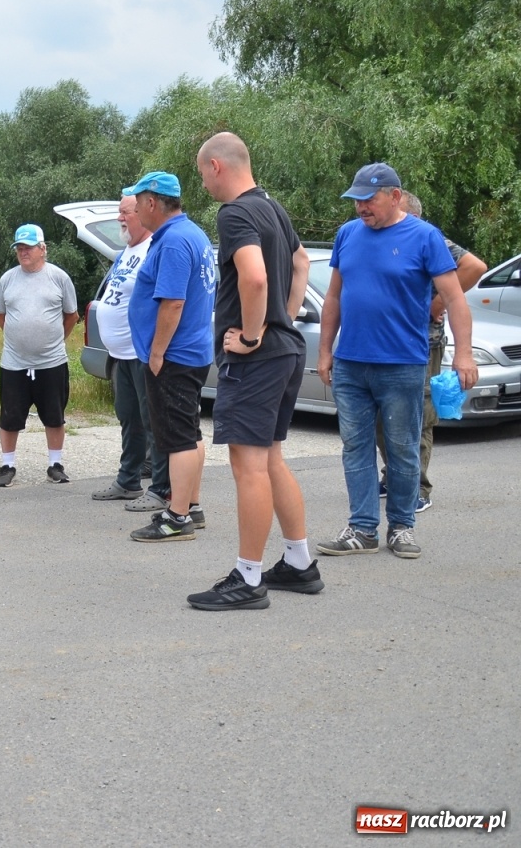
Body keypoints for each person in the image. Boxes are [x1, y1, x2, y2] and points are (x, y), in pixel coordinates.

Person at [316, 164, 478, 560]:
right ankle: (362, 528)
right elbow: (333, 297)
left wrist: (464, 353)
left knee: (403, 448)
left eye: (368, 200)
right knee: (355, 447)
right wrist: (325, 352)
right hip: (351, 363)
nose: (361, 208)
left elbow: (454, 298)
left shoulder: (425, 237)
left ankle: (402, 526)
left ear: (394, 196)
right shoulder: (347, 234)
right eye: (356, 200)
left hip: (402, 363)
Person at [186, 132, 319, 610]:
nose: (204, 184)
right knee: (272, 459)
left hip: (257, 358)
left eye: (202, 174)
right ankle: (299, 563)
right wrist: (283, 318)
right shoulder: (272, 207)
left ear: (217, 166)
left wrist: (251, 333)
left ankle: (248, 578)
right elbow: (301, 262)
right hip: (286, 350)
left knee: (250, 466)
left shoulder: (236, 213)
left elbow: (255, 276)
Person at [373, 192, 486, 512]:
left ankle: (418, 487)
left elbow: (475, 266)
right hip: (386, 344)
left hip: (424, 343)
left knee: (417, 416)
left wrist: (436, 303)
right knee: (384, 416)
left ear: (412, 215)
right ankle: (394, 476)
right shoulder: (380, 238)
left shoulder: (429, 238)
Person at [121, 173, 216, 543]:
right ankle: (191, 505)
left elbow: (173, 302)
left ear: (152, 202)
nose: (134, 209)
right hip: (192, 351)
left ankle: (177, 517)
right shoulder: (191, 233)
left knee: (177, 439)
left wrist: (157, 352)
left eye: (137, 201)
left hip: (175, 355)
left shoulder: (173, 241)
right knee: (189, 432)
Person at [89, 195, 172, 507]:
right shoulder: (126, 251)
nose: (120, 219)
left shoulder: (153, 249)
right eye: (119, 213)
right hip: (120, 355)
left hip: (142, 352)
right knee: (129, 419)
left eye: (125, 213)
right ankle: (128, 480)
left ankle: (161, 488)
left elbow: (166, 301)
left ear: (141, 213)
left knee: (153, 422)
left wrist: (157, 349)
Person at [0, 224, 79, 487]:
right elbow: (1, 316)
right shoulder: (7, 279)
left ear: (43, 249)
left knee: (54, 415)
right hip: (14, 362)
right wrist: (20, 339)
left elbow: (71, 316)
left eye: (28, 247)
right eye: (19, 248)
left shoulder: (59, 278)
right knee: (10, 417)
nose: (23, 252)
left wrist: (53, 340)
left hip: (51, 362)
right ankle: (7, 465)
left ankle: (55, 464)